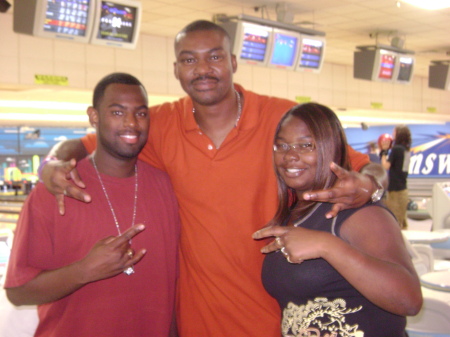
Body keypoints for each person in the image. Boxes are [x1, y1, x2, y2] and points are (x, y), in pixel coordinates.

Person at [40, 21, 387, 337]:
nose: (203, 69)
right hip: (198, 322)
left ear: (234, 62)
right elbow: (83, 144)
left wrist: (370, 184)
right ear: (176, 70)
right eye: (189, 60)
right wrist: (52, 163)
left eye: (214, 57)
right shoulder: (159, 124)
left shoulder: (282, 119)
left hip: (280, 316)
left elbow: (364, 167)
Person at [4, 73, 180, 337]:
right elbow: (18, 292)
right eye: (118, 112)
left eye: (141, 113)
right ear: (94, 116)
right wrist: (84, 271)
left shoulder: (165, 185)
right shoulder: (53, 192)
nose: (131, 123)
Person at [253, 103, 422, 336]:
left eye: (305, 145)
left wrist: (327, 246)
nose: (291, 155)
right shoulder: (294, 214)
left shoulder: (357, 212)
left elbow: (409, 300)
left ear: (331, 149)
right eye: (282, 145)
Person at [381, 125, 412, 229]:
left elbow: (386, 165)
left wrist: (384, 151)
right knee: (402, 222)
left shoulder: (396, 149)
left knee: (394, 223)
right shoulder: (406, 150)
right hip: (403, 189)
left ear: (399, 134)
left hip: (395, 192)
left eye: (394, 132)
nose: (393, 135)